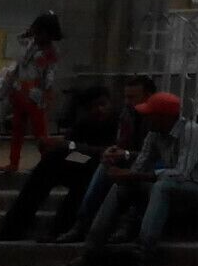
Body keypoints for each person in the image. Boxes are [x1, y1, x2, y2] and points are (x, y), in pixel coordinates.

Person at [61, 91, 198, 266]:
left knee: (163, 186)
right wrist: (122, 176)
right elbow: (140, 165)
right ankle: (91, 251)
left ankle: (143, 250)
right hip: (170, 187)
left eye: (150, 115)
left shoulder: (191, 131)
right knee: (122, 187)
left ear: (164, 117)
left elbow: (181, 174)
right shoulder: (153, 134)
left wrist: (132, 175)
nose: (145, 119)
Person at [0, 84, 115, 242]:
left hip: (108, 168)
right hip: (86, 161)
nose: (99, 110)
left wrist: (71, 147)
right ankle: (12, 227)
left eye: (102, 105)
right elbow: (72, 148)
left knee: (83, 176)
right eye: (94, 106)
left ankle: (60, 228)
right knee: (53, 160)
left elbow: (112, 152)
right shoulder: (86, 123)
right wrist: (58, 148)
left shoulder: (117, 122)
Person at [61, 75, 155, 245]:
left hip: (146, 167)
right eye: (126, 97)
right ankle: (81, 224)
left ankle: (124, 225)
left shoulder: (151, 118)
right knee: (98, 166)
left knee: (123, 176)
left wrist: (122, 154)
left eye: (132, 97)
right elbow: (119, 144)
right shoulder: (124, 115)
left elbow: (153, 154)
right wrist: (112, 152)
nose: (128, 101)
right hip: (110, 159)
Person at [0, 11, 63, 173]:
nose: (38, 35)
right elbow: (19, 39)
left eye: (42, 32)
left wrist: (47, 92)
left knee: (40, 134)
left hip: (36, 93)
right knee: (17, 130)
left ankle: (48, 164)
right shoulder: (30, 43)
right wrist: (29, 32)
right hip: (20, 90)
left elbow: (50, 73)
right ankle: (13, 163)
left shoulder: (51, 51)